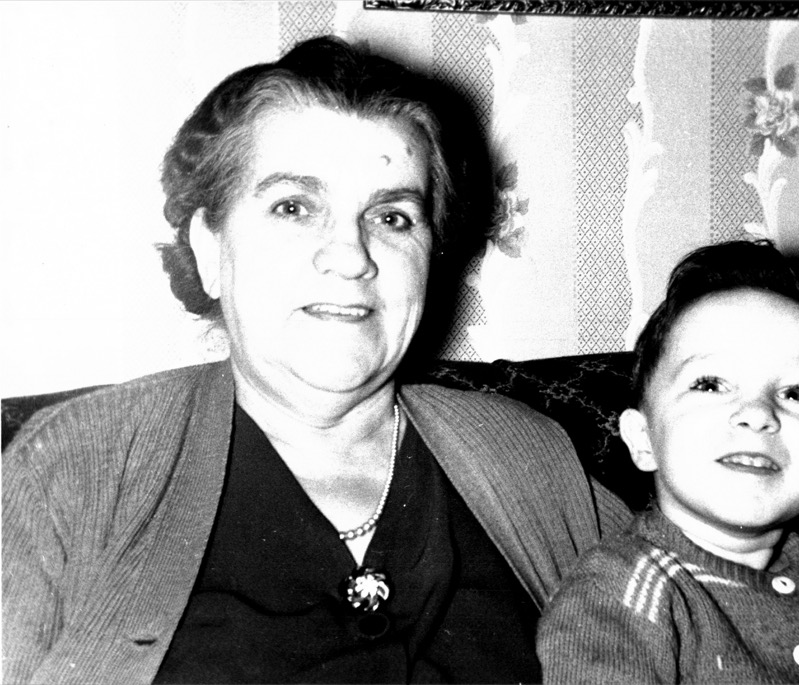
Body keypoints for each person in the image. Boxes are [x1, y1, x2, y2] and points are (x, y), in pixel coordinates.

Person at [1, 36, 631, 684]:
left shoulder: (528, 457)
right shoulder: (78, 470)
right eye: (295, 207)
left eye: (392, 216)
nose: (351, 256)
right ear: (210, 249)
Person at [537, 240, 799, 683]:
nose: (758, 413)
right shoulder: (619, 592)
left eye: (797, 393)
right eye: (710, 385)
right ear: (644, 439)